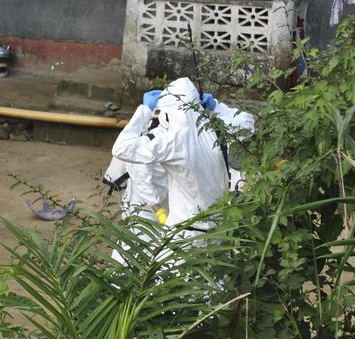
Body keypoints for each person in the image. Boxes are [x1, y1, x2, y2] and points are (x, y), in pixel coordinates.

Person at [109, 78, 254, 262]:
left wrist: (143, 110)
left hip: (183, 234)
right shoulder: (218, 128)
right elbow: (247, 122)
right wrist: (216, 106)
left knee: (158, 283)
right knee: (215, 284)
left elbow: (122, 148)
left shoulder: (173, 140)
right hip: (218, 229)